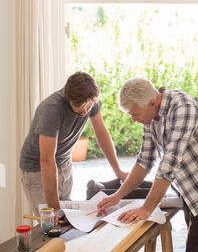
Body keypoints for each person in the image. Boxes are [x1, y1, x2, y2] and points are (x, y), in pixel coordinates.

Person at [97, 77, 198, 252]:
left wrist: (146, 208)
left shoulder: (183, 108)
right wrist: (117, 196)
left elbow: (169, 164)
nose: (133, 120)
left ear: (152, 103)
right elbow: (144, 161)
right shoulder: (150, 115)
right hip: (190, 186)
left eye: (135, 114)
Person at [20, 71, 128, 221]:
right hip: (37, 169)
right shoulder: (51, 109)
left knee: (69, 220)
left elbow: (102, 134)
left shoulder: (91, 99)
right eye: (78, 107)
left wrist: (119, 172)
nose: (84, 111)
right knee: (50, 223)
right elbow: (46, 160)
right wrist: (55, 208)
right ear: (68, 97)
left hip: (64, 165)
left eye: (88, 106)